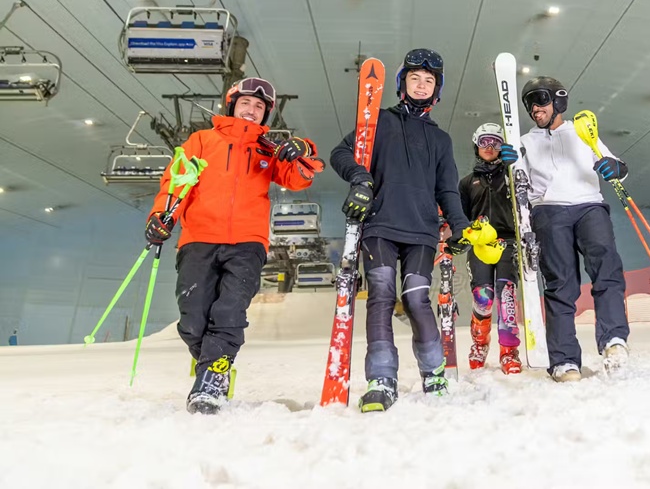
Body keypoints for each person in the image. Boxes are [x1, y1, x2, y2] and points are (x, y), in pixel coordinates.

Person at [144, 77, 324, 414]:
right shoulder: (201, 141)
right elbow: (176, 182)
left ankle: (212, 379)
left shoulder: (268, 149)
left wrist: (304, 149)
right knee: (192, 320)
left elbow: (300, 177)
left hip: (247, 242)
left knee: (229, 311)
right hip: (199, 238)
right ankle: (214, 364)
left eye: (259, 107)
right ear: (232, 105)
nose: (252, 110)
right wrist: (162, 216)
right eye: (246, 103)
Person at [331, 48, 471, 412]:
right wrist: (361, 180)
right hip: (380, 223)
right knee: (380, 294)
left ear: (436, 89)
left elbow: (447, 189)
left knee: (415, 299)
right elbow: (341, 153)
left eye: (429, 81)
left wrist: (459, 225)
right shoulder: (378, 122)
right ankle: (381, 378)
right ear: (401, 83)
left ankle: (434, 372)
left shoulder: (441, 140)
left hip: (421, 231)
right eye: (414, 79)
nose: (421, 85)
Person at [498, 76, 631, 382]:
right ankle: (564, 360)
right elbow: (517, 186)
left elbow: (613, 163)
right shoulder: (525, 142)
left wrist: (616, 168)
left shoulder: (581, 131)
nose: (535, 108)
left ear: (558, 100)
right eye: (529, 103)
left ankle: (613, 339)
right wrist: (510, 166)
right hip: (548, 209)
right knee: (560, 283)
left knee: (606, 266)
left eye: (540, 100)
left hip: (589, 205)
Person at [459, 123, 521, 374]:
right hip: (480, 245)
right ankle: (479, 344)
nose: (489, 147)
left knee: (507, 297)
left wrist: (515, 166)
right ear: (476, 145)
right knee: (483, 298)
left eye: (495, 142)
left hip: (508, 243)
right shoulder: (467, 183)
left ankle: (509, 352)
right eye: (484, 141)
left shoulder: (513, 177)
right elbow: (460, 218)